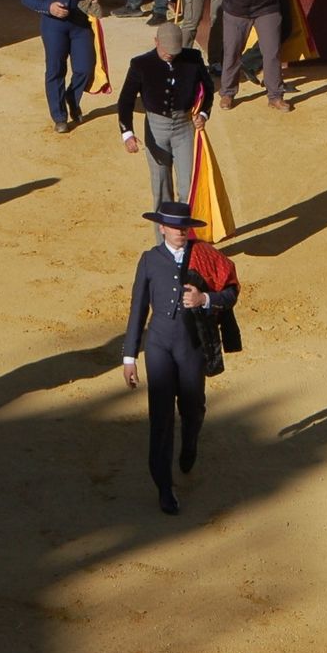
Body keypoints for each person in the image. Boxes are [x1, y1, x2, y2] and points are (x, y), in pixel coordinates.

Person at [122, 201, 241, 515]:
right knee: (160, 417)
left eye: (184, 227)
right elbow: (138, 309)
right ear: (162, 227)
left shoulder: (203, 255)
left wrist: (205, 299)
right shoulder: (149, 260)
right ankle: (164, 486)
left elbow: (230, 292)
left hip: (191, 346)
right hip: (159, 345)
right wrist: (129, 357)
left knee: (193, 407)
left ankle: (190, 443)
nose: (180, 232)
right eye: (175, 227)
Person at [117, 23, 211, 219]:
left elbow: (208, 89)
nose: (170, 54)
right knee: (161, 186)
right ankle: (165, 242)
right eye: (166, 49)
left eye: (174, 51)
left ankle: (185, 239)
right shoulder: (141, 64)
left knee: (189, 185)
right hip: (155, 128)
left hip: (185, 127)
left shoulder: (192, 59)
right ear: (156, 42)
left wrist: (203, 114)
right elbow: (125, 100)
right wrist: (127, 133)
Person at [22, 0, 97, 133]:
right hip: (54, 26)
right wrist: (49, 7)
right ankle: (59, 116)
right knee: (56, 70)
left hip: (79, 23)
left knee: (85, 67)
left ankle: (72, 98)